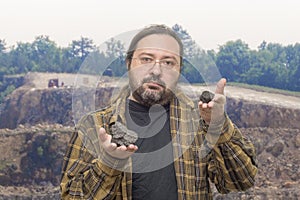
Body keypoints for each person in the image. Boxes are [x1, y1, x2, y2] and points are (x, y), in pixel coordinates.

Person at [60, 24, 258, 200]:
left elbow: (241, 182)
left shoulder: (199, 123)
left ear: (179, 70)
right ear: (129, 64)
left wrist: (217, 126)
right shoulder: (94, 126)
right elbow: (71, 196)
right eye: (146, 59)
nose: (156, 70)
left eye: (168, 62)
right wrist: (109, 163)